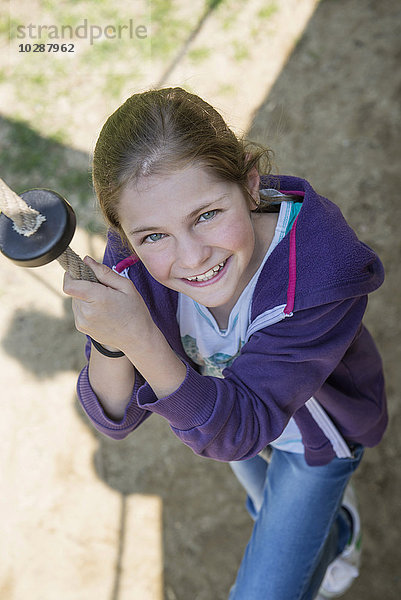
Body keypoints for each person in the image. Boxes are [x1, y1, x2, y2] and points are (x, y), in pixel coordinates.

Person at [63, 87, 387, 599]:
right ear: (124, 234)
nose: (191, 257)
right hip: (211, 405)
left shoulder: (321, 277)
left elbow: (241, 429)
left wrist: (142, 338)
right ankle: (332, 531)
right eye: (152, 236)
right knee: (266, 505)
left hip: (308, 437)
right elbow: (114, 416)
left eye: (206, 215)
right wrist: (111, 343)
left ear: (250, 186)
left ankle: (334, 529)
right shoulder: (134, 264)